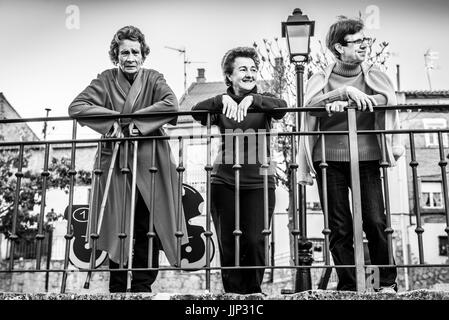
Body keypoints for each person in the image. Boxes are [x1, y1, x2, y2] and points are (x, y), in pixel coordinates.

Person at [68, 25, 188, 293]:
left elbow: (170, 104)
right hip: (116, 162)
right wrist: (113, 124)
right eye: (124, 52)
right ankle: (118, 286)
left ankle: (143, 286)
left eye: (135, 52)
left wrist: (134, 123)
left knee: (149, 225)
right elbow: (76, 107)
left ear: (143, 55)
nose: (130, 57)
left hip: (151, 162)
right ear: (116, 55)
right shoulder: (105, 80)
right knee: (117, 223)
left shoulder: (155, 78)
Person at [298, 17, 403, 293]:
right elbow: (310, 106)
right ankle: (348, 285)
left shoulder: (374, 76)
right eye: (357, 41)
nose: (364, 46)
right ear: (338, 47)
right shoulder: (321, 78)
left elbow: (386, 99)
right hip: (328, 160)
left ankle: (386, 283)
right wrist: (340, 94)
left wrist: (352, 101)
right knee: (338, 226)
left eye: (365, 40)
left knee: (375, 221)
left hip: (366, 157)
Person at [191, 47, 287, 294]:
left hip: (260, 181)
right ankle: (233, 295)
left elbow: (282, 107)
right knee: (229, 243)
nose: (249, 74)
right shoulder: (221, 105)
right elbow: (195, 112)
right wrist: (221, 99)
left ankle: (253, 293)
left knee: (255, 240)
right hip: (224, 181)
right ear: (229, 76)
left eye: (253, 69)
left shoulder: (264, 100)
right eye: (243, 69)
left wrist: (252, 99)